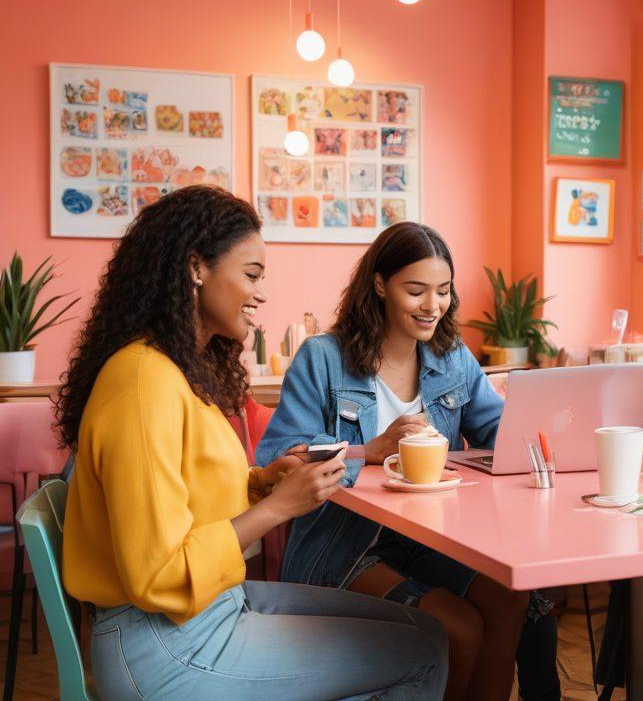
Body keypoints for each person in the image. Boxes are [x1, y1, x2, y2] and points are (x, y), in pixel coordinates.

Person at [59, 186, 446, 701]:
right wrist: (279, 509)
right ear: (196, 268)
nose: (261, 294)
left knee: (430, 634)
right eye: (251, 275)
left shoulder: (170, 372)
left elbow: (185, 500)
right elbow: (158, 573)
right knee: (421, 657)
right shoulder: (142, 384)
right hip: (163, 643)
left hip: (202, 611)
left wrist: (263, 484)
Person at [256, 222, 529, 701]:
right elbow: (278, 457)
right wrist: (370, 450)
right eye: (416, 290)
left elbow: (499, 433)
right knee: (459, 627)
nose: (432, 306)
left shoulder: (453, 359)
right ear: (380, 285)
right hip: (343, 544)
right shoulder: (323, 357)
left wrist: (544, 425)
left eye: (443, 292)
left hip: (434, 537)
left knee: (508, 599)